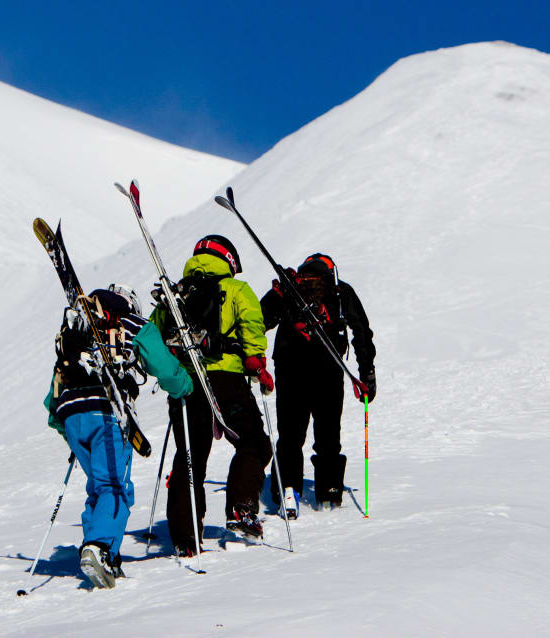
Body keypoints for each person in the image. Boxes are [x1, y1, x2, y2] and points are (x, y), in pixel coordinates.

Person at [44, 283, 193, 587]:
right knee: (114, 487)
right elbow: (163, 368)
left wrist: (67, 428)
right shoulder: (131, 323)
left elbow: (52, 397)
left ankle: (100, 552)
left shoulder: (80, 332)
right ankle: (99, 548)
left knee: (98, 487)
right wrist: (184, 385)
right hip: (108, 408)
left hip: (70, 413)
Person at [151, 235, 274, 555]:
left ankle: (184, 536)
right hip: (226, 380)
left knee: (190, 457)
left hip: (186, 383)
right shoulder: (236, 290)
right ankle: (242, 508)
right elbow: (252, 327)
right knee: (253, 443)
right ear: (229, 260)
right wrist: (257, 363)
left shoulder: (174, 295)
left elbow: (151, 339)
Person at [260, 254, 376, 515]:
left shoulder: (290, 289)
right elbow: (361, 331)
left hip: (290, 366)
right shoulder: (340, 290)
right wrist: (367, 373)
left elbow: (259, 320)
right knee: (328, 434)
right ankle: (329, 492)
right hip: (328, 369)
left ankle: (286, 490)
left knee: (290, 434)